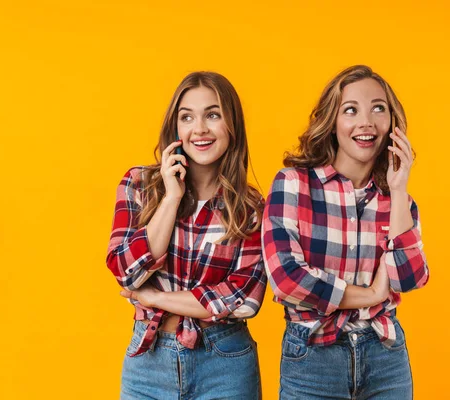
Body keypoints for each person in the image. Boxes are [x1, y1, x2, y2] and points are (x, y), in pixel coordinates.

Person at [262, 65, 429, 399]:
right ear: (332, 122)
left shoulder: (400, 202)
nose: (366, 122)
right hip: (313, 356)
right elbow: (287, 278)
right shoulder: (294, 184)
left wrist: (397, 189)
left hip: (385, 356)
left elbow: (409, 278)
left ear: (392, 124)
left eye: (378, 108)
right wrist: (370, 295)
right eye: (350, 110)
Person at [106, 71, 265, 399]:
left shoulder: (250, 208)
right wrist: (171, 198)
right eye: (187, 117)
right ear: (175, 129)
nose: (200, 129)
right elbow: (126, 272)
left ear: (231, 125)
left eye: (213, 115)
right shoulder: (138, 185)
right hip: (148, 360)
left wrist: (156, 298)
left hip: (226, 363)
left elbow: (243, 298)